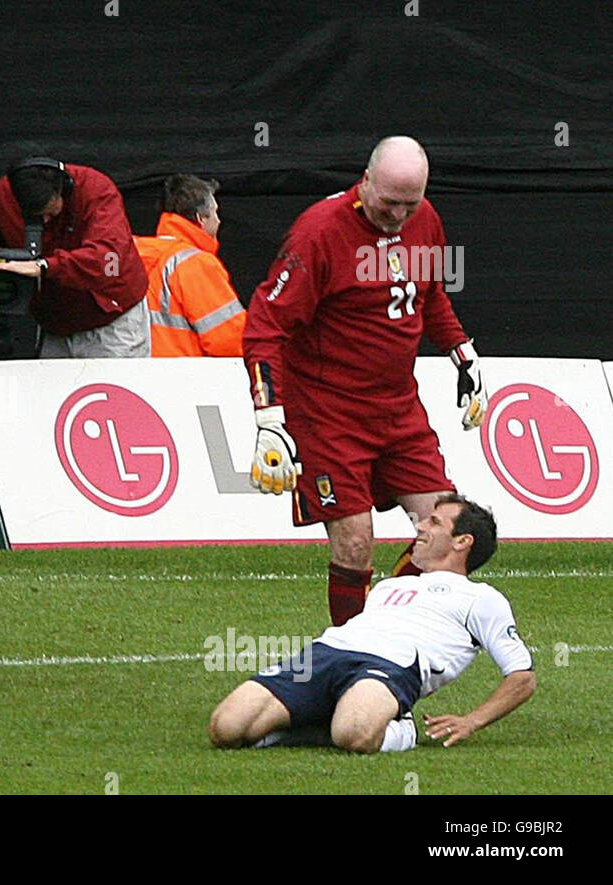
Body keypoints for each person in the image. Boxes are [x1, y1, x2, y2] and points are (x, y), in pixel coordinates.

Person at [242, 136, 487, 626]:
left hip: (399, 410)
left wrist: (464, 353)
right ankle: (350, 660)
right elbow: (265, 326)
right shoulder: (319, 232)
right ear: (366, 180)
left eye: (409, 204)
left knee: (451, 535)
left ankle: (384, 633)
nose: (398, 214)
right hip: (328, 415)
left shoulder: (426, 220)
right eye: (389, 202)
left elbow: (430, 293)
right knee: (355, 543)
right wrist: (269, 418)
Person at [209, 494, 535, 753]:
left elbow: (522, 676)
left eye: (434, 523)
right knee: (226, 728)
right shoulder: (389, 586)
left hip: (392, 665)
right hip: (326, 652)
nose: (420, 527)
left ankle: (402, 728)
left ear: (462, 541)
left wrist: (471, 721)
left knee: (353, 735)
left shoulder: (482, 599)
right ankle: (327, 719)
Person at [0, 157, 149, 358]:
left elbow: (109, 262)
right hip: (55, 324)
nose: (44, 221)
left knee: (116, 388)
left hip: (110, 321)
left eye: (49, 213)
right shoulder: (4, 197)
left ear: (63, 189)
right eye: (33, 216)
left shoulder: (96, 190)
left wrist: (45, 266)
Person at [132, 173, 246, 356]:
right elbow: (228, 340)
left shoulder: (133, 254)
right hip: (185, 378)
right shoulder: (195, 263)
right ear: (201, 218)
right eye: (216, 212)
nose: (219, 220)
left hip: (125, 376)